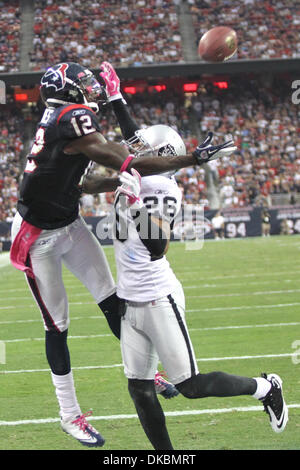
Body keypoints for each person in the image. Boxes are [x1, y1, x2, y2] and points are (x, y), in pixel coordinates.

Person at [10, 61, 236, 448]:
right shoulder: (71, 117)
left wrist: (116, 104)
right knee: (58, 326)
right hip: (37, 238)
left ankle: (148, 370)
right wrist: (192, 159)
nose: (89, 87)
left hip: (68, 221)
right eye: (82, 83)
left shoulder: (64, 117)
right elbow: (130, 160)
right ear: (67, 92)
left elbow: (105, 170)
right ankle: (69, 415)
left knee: (114, 300)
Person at [88, 63, 288, 450]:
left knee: (190, 386)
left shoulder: (159, 184)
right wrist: (115, 97)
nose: (133, 148)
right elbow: (135, 143)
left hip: (157, 296)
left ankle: (265, 387)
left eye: (143, 148)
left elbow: (157, 245)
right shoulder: (144, 170)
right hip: (130, 298)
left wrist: (134, 205)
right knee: (140, 390)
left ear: (159, 156)